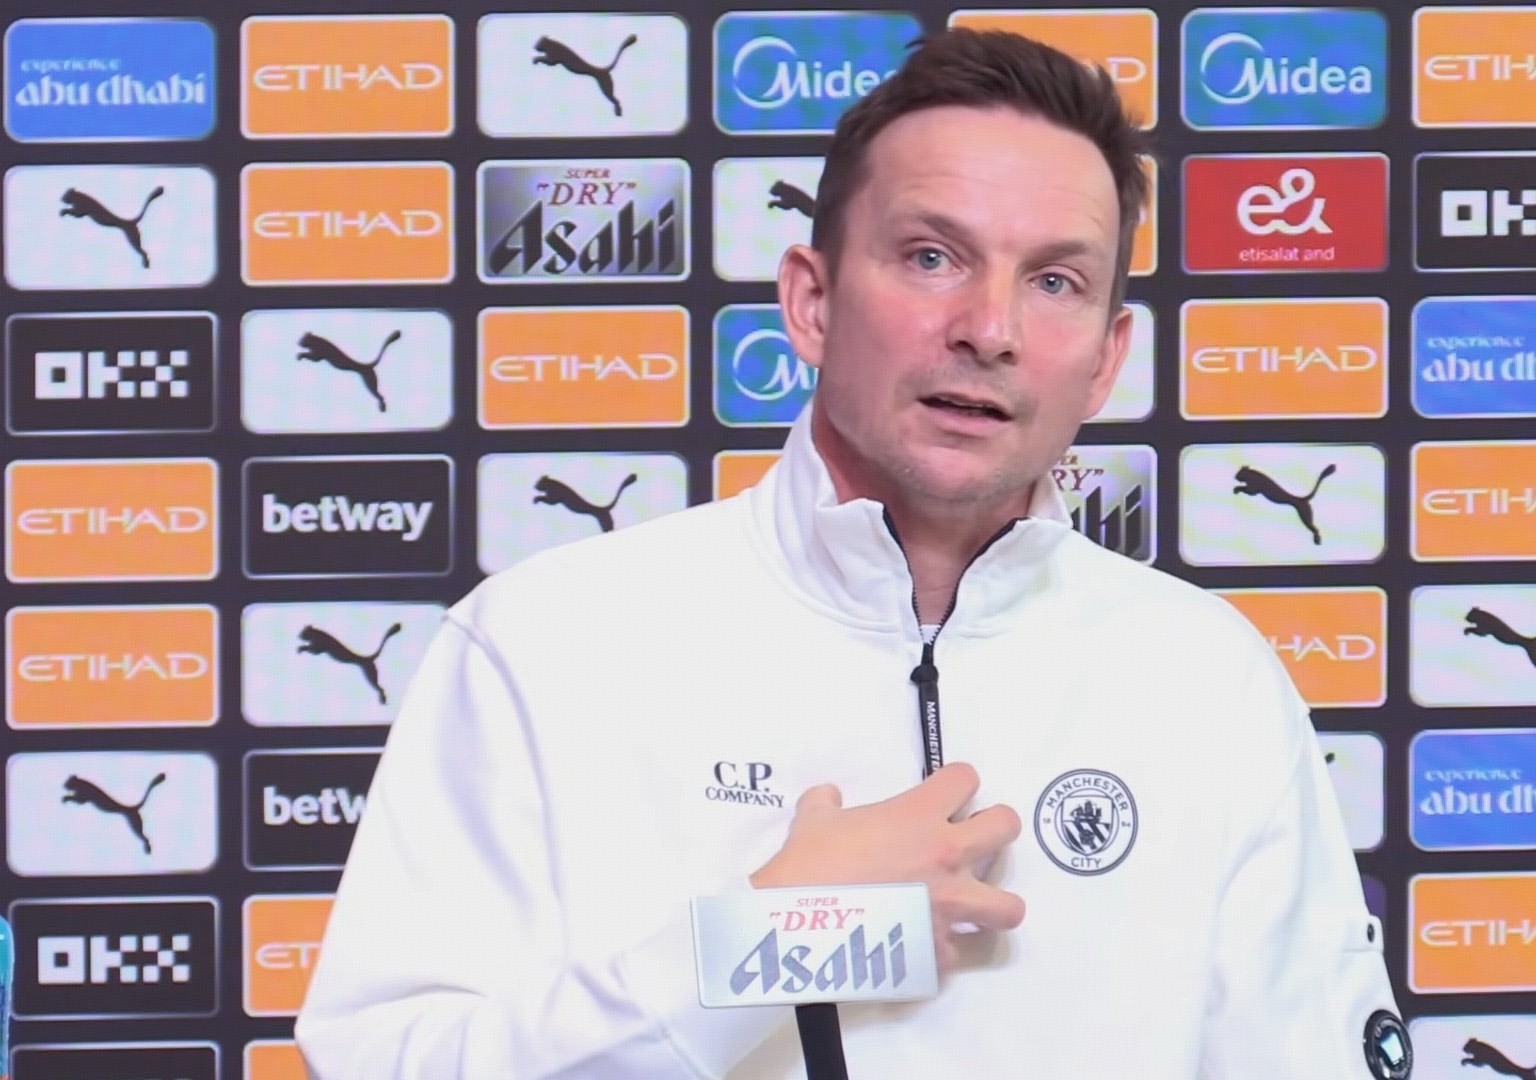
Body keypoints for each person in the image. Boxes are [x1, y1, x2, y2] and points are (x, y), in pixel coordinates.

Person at [294, 27, 1407, 1080]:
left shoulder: (1208, 678)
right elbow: (380, 1062)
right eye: (932, 257)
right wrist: (776, 939)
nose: (990, 329)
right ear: (812, 302)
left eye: (1055, 281)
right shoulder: (547, 643)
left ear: (1107, 360)